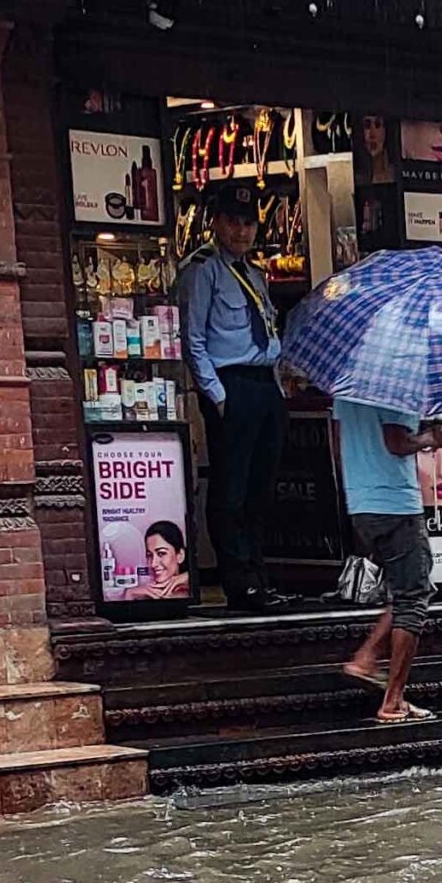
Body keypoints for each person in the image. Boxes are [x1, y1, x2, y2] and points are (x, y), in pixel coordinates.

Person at [179, 187, 287, 612]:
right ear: (216, 223)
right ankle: (238, 582)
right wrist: (218, 395)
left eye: (248, 223)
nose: (242, 231)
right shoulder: (203, 270)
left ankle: (259, 575)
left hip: (264, 384)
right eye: (233, 222)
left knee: (261, 488)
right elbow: (193, 339)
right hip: (231, 384)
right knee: (232, 488)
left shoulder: (254, 273)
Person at [335, 395, 442, 724]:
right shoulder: (397, 390)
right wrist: (429, 439)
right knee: (413, 599)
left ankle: (366, 659)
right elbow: (396, 442)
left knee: (408, 591)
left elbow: (338, 438)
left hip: (361, 502)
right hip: (395, 504)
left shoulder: (347, 393)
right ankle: (392, 700)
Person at [139, 520, 190, 600]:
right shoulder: (141, 592)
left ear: (180, 555)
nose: (153, 564)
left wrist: (191, 577)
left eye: (161, 553)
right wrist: (129, 594)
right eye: (149, 555)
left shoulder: (191, 590)